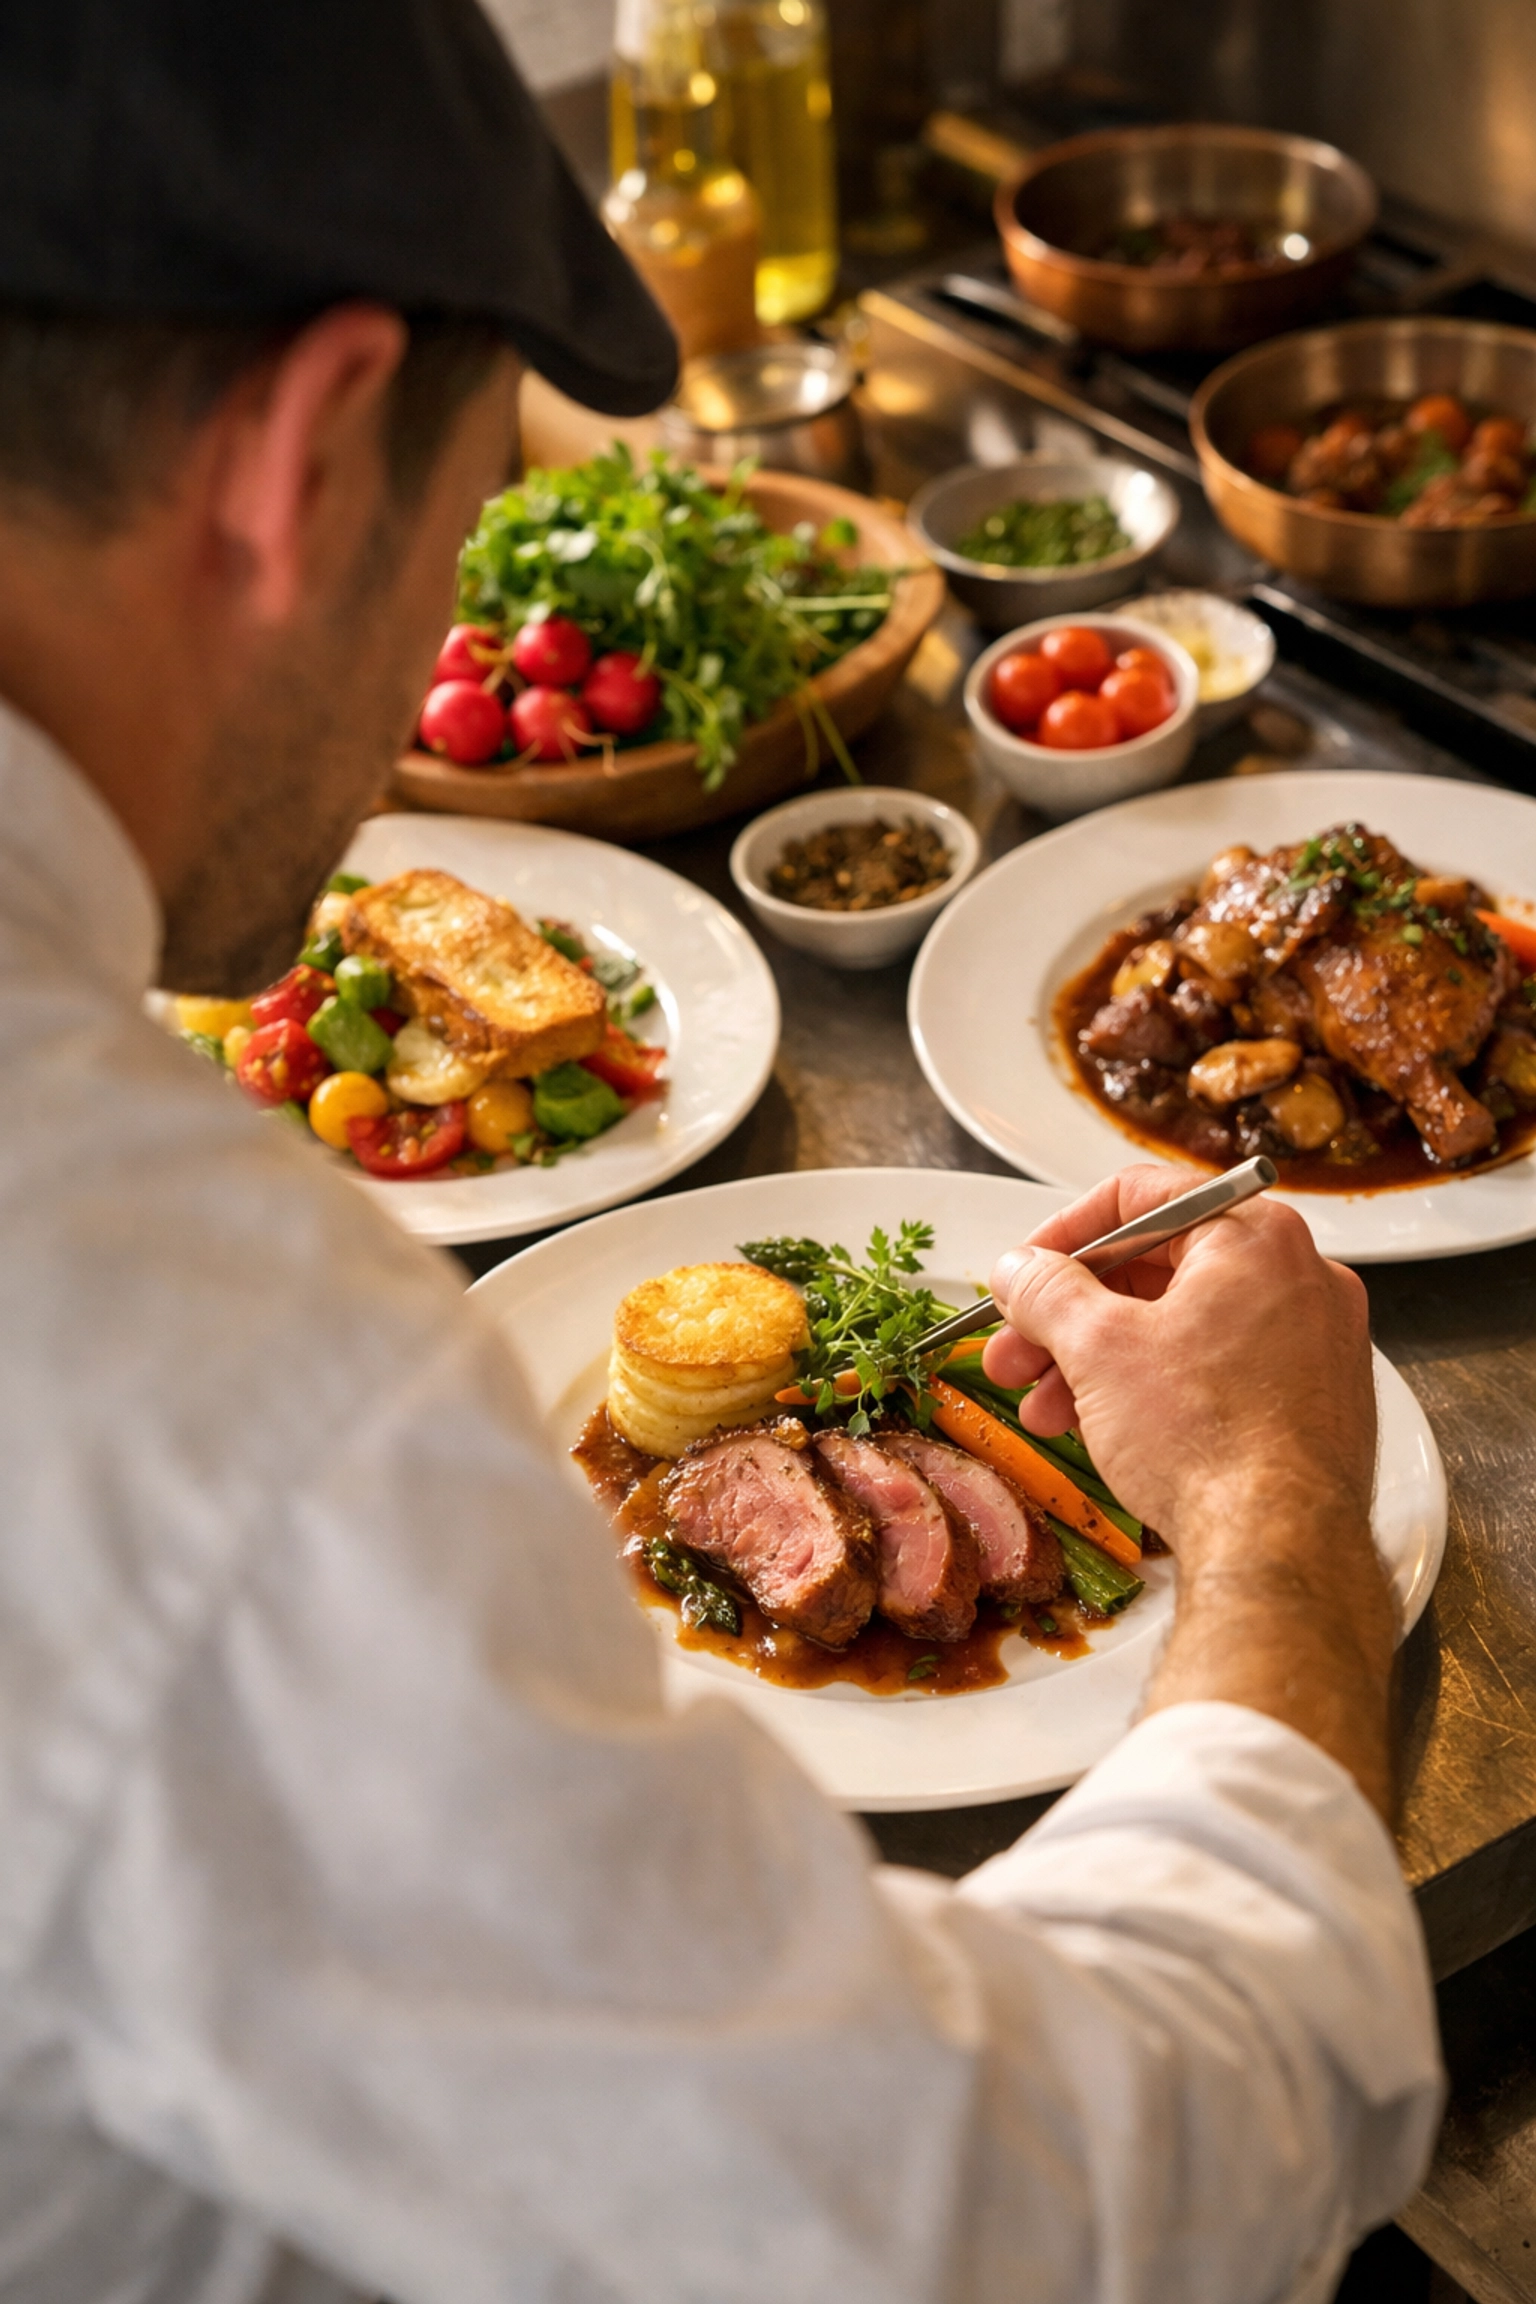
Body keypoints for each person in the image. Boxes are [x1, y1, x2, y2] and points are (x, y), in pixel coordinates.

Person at [0, 4, 1441, 2302]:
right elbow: (1013, 2219)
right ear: (301, 453)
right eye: (461, 540)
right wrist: (1280, 1520)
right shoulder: (191, 1372)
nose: (427, 675)